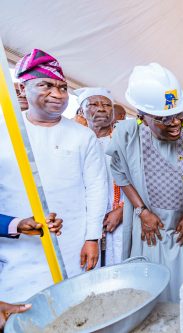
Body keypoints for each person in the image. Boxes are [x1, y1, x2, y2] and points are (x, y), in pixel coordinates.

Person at [0, 49, 108, 303]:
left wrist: (92, 238)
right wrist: (15, 223)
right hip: (18, 252)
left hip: (73, 245)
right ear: (21, 88)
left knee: (77, 309)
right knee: (25, 313)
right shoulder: (6, 132)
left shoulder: (83, 136)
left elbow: (96, 189)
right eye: (45, 85)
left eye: (62, 87)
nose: (57, 94)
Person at [107, 63, 183, 302]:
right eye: (163, 119)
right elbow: (121, 174)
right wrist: (142, 211)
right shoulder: (127, 134)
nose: (175, 123)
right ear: (141, 115)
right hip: (150, 228)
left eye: (178, 114)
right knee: (150, 294)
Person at [77, 87, 124, 266]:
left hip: (118, 219)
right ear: (82, 111)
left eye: (106, 105)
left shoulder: (123, 140)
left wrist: (122, 211)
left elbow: (142, 181)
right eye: (94, 104)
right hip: (83, 219)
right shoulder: (77, 140)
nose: (102, 108)